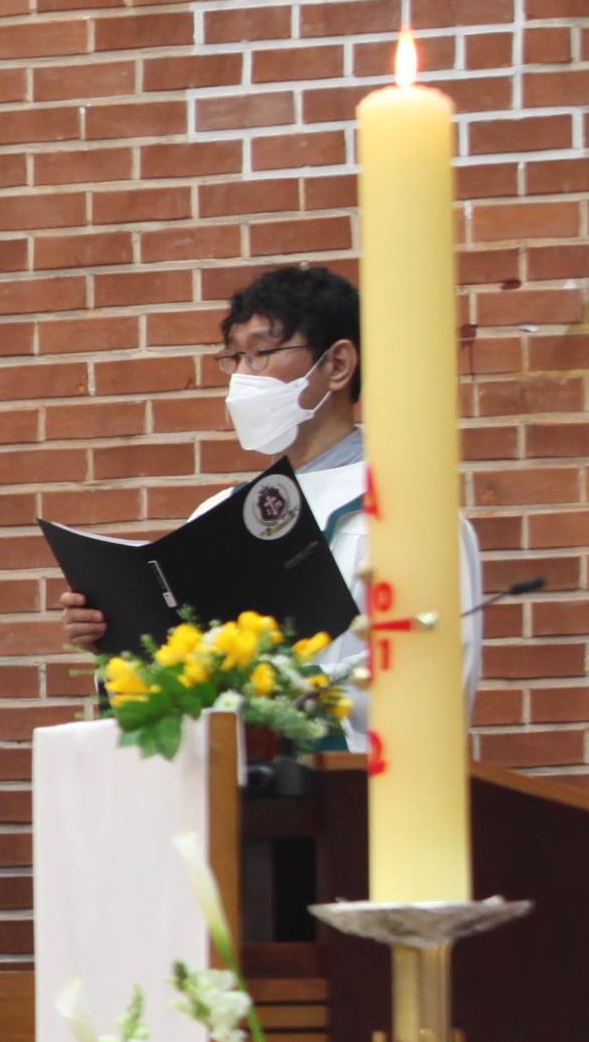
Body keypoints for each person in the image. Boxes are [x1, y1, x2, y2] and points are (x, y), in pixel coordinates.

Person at [55, 263, 485, 742]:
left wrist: (266, 689)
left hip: (348, 779)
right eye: (234, 357)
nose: (242, 377)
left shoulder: (409, 517)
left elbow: (430, 681)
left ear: (337, 365)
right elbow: (180, 668)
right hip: (225, 778)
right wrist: (116, 639)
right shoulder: (219, 513)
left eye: (261, 353)